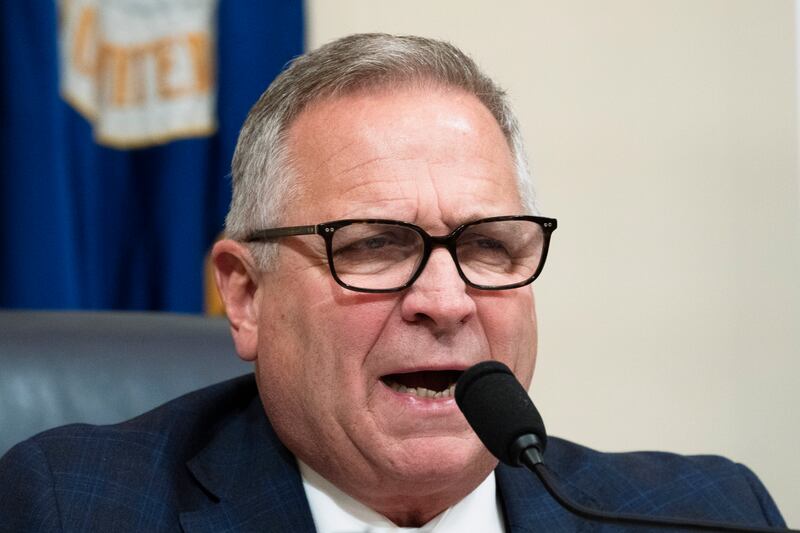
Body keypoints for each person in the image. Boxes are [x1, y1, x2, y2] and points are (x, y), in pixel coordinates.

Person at [0, 33, 786, 532]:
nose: (445, 301)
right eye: (374, 245)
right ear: (245, 295)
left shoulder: (708, 514)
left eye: (486, 243)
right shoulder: (70, 506)